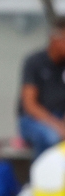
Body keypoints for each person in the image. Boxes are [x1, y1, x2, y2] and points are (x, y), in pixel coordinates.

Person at [18, 17, 65, 159]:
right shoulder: (35, 62)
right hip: (34, 120)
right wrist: (57, 125)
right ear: (55, 39)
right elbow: (30, 106)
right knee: (51, 137)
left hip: (60, 119)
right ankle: (42, 178)